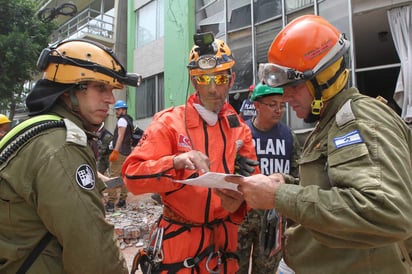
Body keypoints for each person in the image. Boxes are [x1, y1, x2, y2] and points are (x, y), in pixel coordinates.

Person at [222, 15, 412, 274]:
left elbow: (386, 211)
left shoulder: (359, 119)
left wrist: (280, 197)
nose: (285, 97)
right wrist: (285, 184)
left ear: (325, 78)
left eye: (294, 86)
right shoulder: (329, 123)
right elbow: (333, 188)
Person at [0, 38, 141, 273]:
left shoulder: (38, 130)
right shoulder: (62, 146)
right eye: (100, 88)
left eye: (111, 90)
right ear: (70, 91)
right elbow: (93, 250)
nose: (109, 99)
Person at [122, 32, 259, 273]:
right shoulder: (169, 123)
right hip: (180, 245)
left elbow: (254, 187)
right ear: (194, 81)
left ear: (232, 78)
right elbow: (132, 177)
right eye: (204, 79)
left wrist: (240, 203)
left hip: (225, 245)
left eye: (220, 78)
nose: (214, 89)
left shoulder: (238, 127)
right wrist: (175, 162)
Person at [237, 83, 300, 274]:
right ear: (257, 105)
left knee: (266, 271)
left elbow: (298, 176)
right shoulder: (241, 134)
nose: (279, 110)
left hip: (273, 222)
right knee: (234, 267)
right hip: (241, 217)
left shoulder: (288, 136)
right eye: (272, 104)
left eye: (281, 105)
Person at [106, 99, 133, 211]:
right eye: (116, 110)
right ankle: (122, 201)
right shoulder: (129, 120)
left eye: (118, 109)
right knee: (124, 177)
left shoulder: (122, 120)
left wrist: (115, 151)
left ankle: (111, 203)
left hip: (120, 153)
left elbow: (121, 136)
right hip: (127, 152)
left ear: (123, 110)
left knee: (113, 177)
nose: (116, 112)